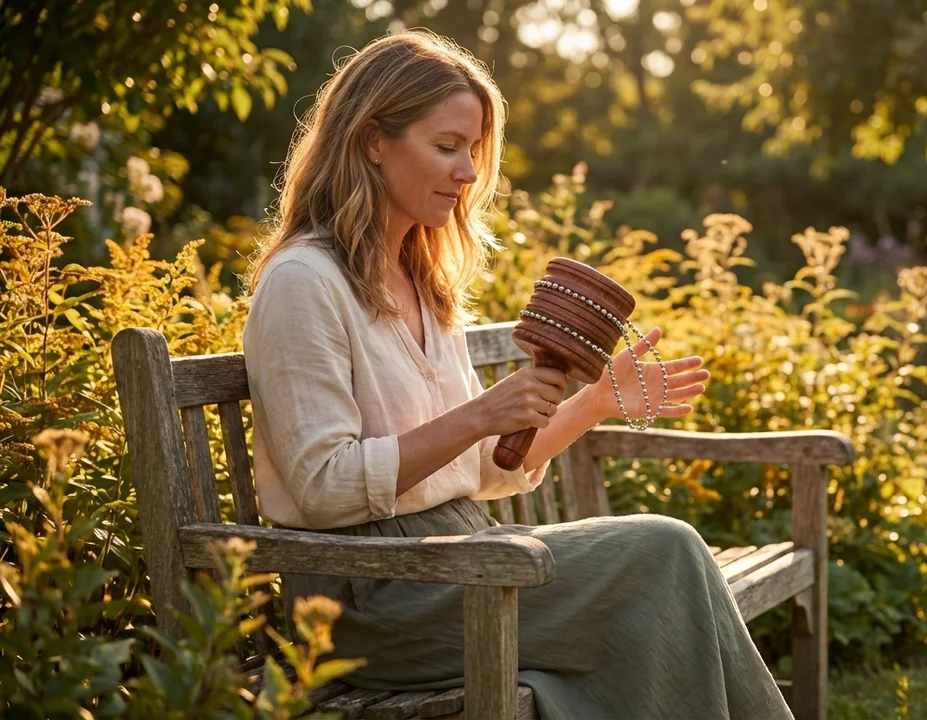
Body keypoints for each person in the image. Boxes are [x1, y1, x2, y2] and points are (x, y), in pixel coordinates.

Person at [239, 29, 794, 720]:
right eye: (446, 148)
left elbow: (486, 468)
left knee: (665, 572)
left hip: (461, 560)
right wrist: (479, 415)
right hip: (367, 600)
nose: (468, 174)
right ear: (372, 140)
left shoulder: (419, 281)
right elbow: (322, 490)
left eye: (472, 153)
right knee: (666, 551)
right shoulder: (304, 282)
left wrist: (593, 402)